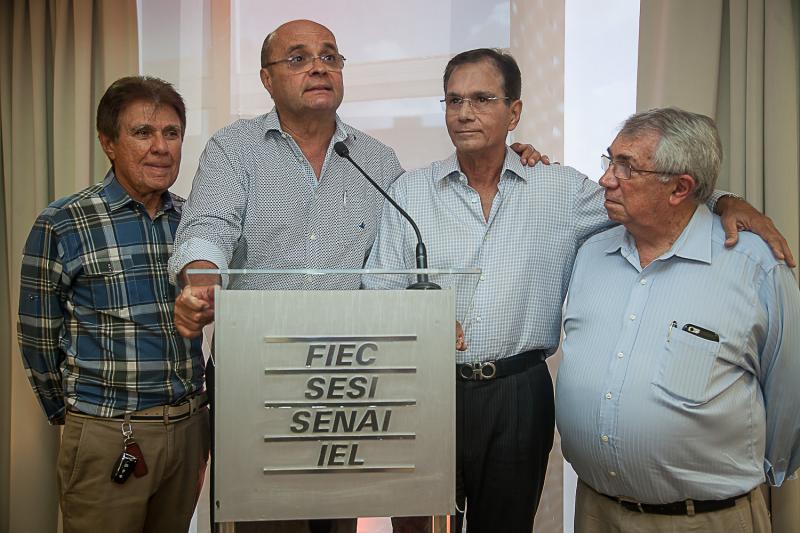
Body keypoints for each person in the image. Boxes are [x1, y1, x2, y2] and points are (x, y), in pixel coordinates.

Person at [362, 50, 794, 533]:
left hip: (518, 392)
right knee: (416, 526)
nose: (465, 112)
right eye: (454, 100)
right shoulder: (409, 192)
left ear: (514, 112)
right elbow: (378, 292)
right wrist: (420, 319)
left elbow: (657, 197)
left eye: (482, 99)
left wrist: (726, 200)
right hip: (425, 386)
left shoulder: (562, 190)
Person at [168, 19, 541, 533]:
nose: (318, 67)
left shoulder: (375, 160)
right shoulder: (235, 149)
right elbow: (207, 230)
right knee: (261, 520)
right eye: (298, 58)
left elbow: (405, 256)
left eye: (330, 56)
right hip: (257, 373)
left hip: (346, 378)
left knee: (337, 519)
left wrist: (507, 154)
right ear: (266, 79)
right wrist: (202, 283)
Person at [555, 107, 800, 533]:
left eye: (626, 167)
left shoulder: (755, 267)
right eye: (609, 160)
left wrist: (732, 486)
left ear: (680, 188)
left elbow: (790, 394)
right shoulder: (590, 253)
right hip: (596, 512)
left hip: (704, 520)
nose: (606, 179)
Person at [17, 76, 209, 533]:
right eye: (142, 132)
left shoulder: (196, 224)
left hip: (188, 430)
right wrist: (83, 417)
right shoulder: (63, 222)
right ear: (108, 143)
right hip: (108, 434)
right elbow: (38, 338)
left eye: (172, 133)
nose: (161, 147)